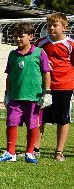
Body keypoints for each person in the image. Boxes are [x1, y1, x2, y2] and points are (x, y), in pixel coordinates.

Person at [0, 22, 51, 164]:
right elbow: (9, 75)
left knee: (33, 125)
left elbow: (46, 74)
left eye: (21, 36)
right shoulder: (12, 55)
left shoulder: (39, 53)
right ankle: (10, 152)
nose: (18, 39)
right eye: (15, 36)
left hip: (34, 97)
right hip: (15, 97)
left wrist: (47, 93)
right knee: (11, 123)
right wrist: (7, 94)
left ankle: (30, 153)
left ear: (31, 36)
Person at [35, 12, 74, 161]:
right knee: (39, 118)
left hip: (64, 86)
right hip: (44, 86)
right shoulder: (40, 43)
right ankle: (35, 149)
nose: (51, 28)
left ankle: (59, 152)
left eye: (55, 25)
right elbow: (34, 61)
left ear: (64, 27)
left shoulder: (71, 44)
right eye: (49, 25)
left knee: (63, 119)